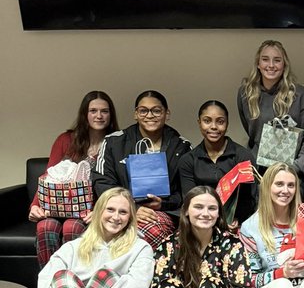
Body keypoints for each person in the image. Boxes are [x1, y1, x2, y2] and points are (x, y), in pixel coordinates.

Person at [93, 90, 191, 249]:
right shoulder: (114, 142)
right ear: (136, 114)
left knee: (145, 234)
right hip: (120, 210)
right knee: (98, 237)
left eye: (157, 110)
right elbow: (102, 182)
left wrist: (163, 204)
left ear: (167, 114)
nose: (150, 115)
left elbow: (186, 192)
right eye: (143, 110)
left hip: (162, 213)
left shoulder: (182, 146)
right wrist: (132, 208)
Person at [30, 90, 118, 265]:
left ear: (111, 115)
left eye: (104, 111)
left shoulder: (117, 142)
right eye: (93, 111)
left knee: (72, 228)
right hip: (56, 205)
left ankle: (74, 285)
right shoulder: (65, 140)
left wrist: (102, 211)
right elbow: (49, 176)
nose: (99, 116)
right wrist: (34, 206)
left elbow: (119, 186)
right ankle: (50, 284)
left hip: (91, 211)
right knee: (45, 227)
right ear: (85, 114)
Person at [237, 40, 304, 196]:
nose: (271, 65)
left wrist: (295, 168)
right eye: (265, 59)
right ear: (258, 63)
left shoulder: (301, 95)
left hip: (294, 172)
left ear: (284, 65)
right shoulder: (246, 94)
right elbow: (251, 132)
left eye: (277, 60)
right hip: (260, 172)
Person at [177, 100, 257, 226]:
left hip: (236, 222)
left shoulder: (243, 157)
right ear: (199, 123)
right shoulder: (188, 160)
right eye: (207, 121)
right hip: (200, 222)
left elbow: (249, 199)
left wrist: (237, 219)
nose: (214, 127)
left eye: (220, 122)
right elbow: (190, 200)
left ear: (227, 123)